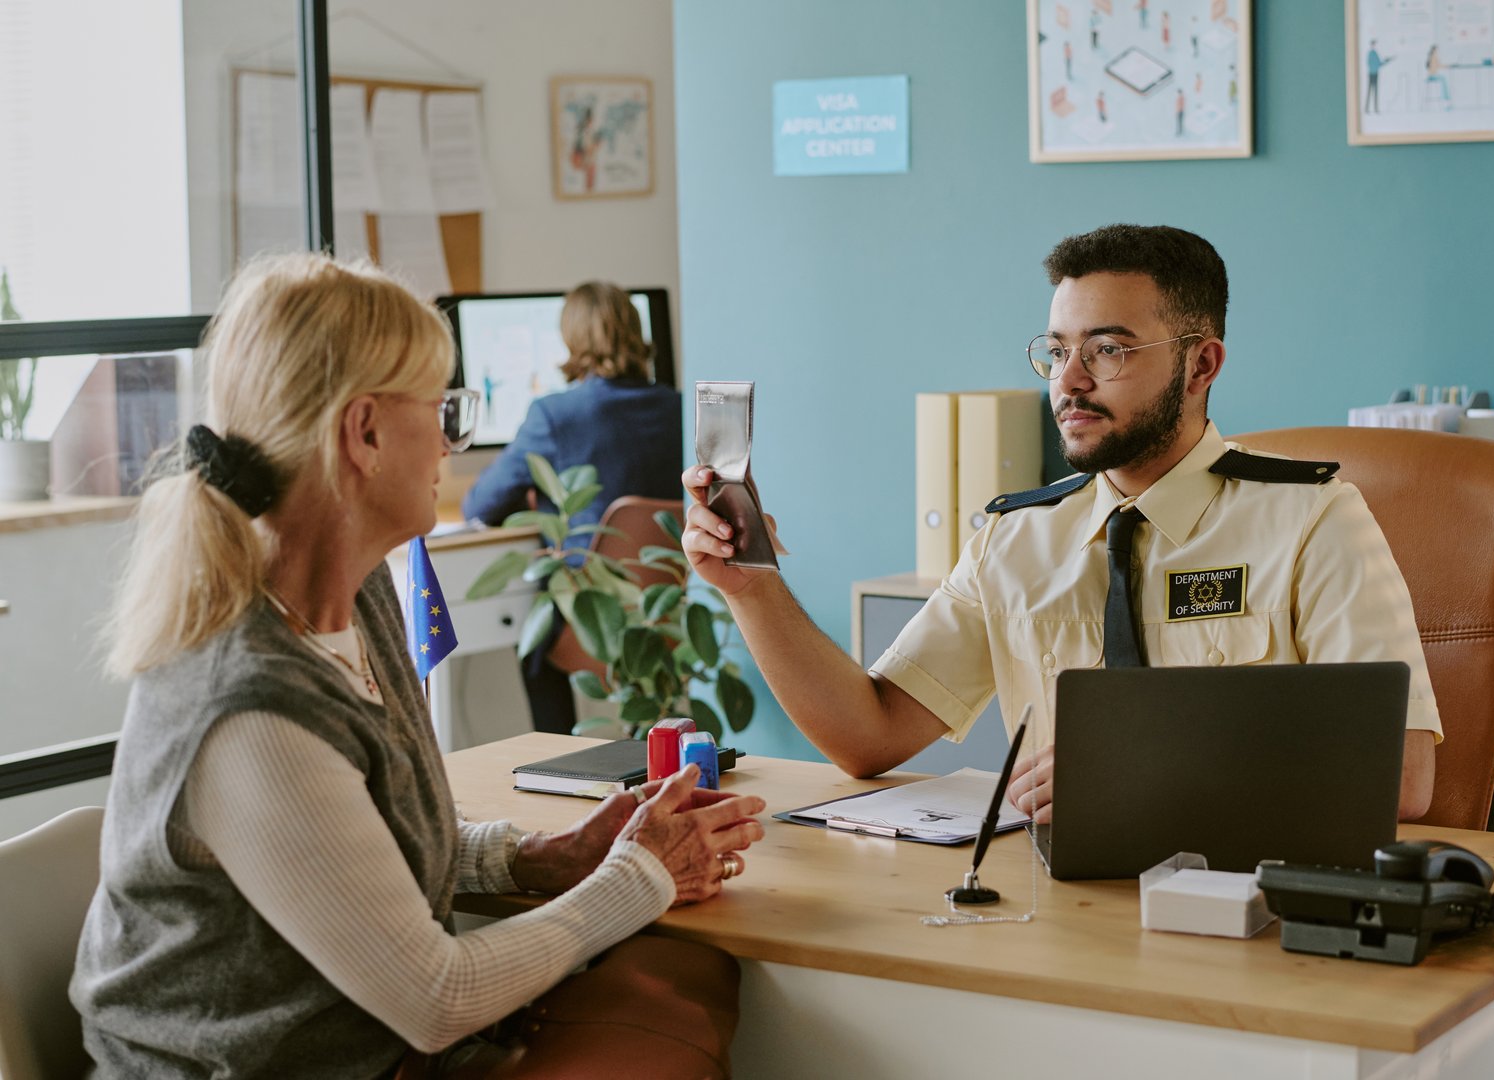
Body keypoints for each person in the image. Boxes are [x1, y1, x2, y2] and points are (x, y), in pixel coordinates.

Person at [73, 253, 764, 1079]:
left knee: (695, 977)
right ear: (363, 433)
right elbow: (435, 999)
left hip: (375, 1045)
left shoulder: (359, 598)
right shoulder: (249, 710)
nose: (450, 440)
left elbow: (366, 856)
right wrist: (642, 873)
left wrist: (540, 856)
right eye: (442, 409)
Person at [678, 224, 1440, 827]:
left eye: (1107, 350)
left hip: (1247, 910)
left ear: (1202, 365)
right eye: (1058, 350)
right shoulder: (1017, 539)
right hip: (1058, 908)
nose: (1069, 380)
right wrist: (751, 589)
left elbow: (1402, 777)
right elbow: (867, 737)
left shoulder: (1313, 520)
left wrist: (1154, 773)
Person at [462, 281, 682, 734]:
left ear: (572, 340)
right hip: (668, 613)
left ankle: (554, 758)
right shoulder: (677, 408)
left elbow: (481, 504)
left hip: (592, 618)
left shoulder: (555, 414)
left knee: (535, 641)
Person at [1365, 41, 1392, 113]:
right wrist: (1384, 62)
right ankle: (1368, 108)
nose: (1374, 46)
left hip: (1374, 73)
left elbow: (1379, 63)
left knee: (1374, 91)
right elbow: (1374, 63)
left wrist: (1386, 61)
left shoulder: (1374, 53)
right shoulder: (1371, 53)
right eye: (1373, 44)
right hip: (1372, 74)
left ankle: (1374, 108)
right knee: (1370, 91)